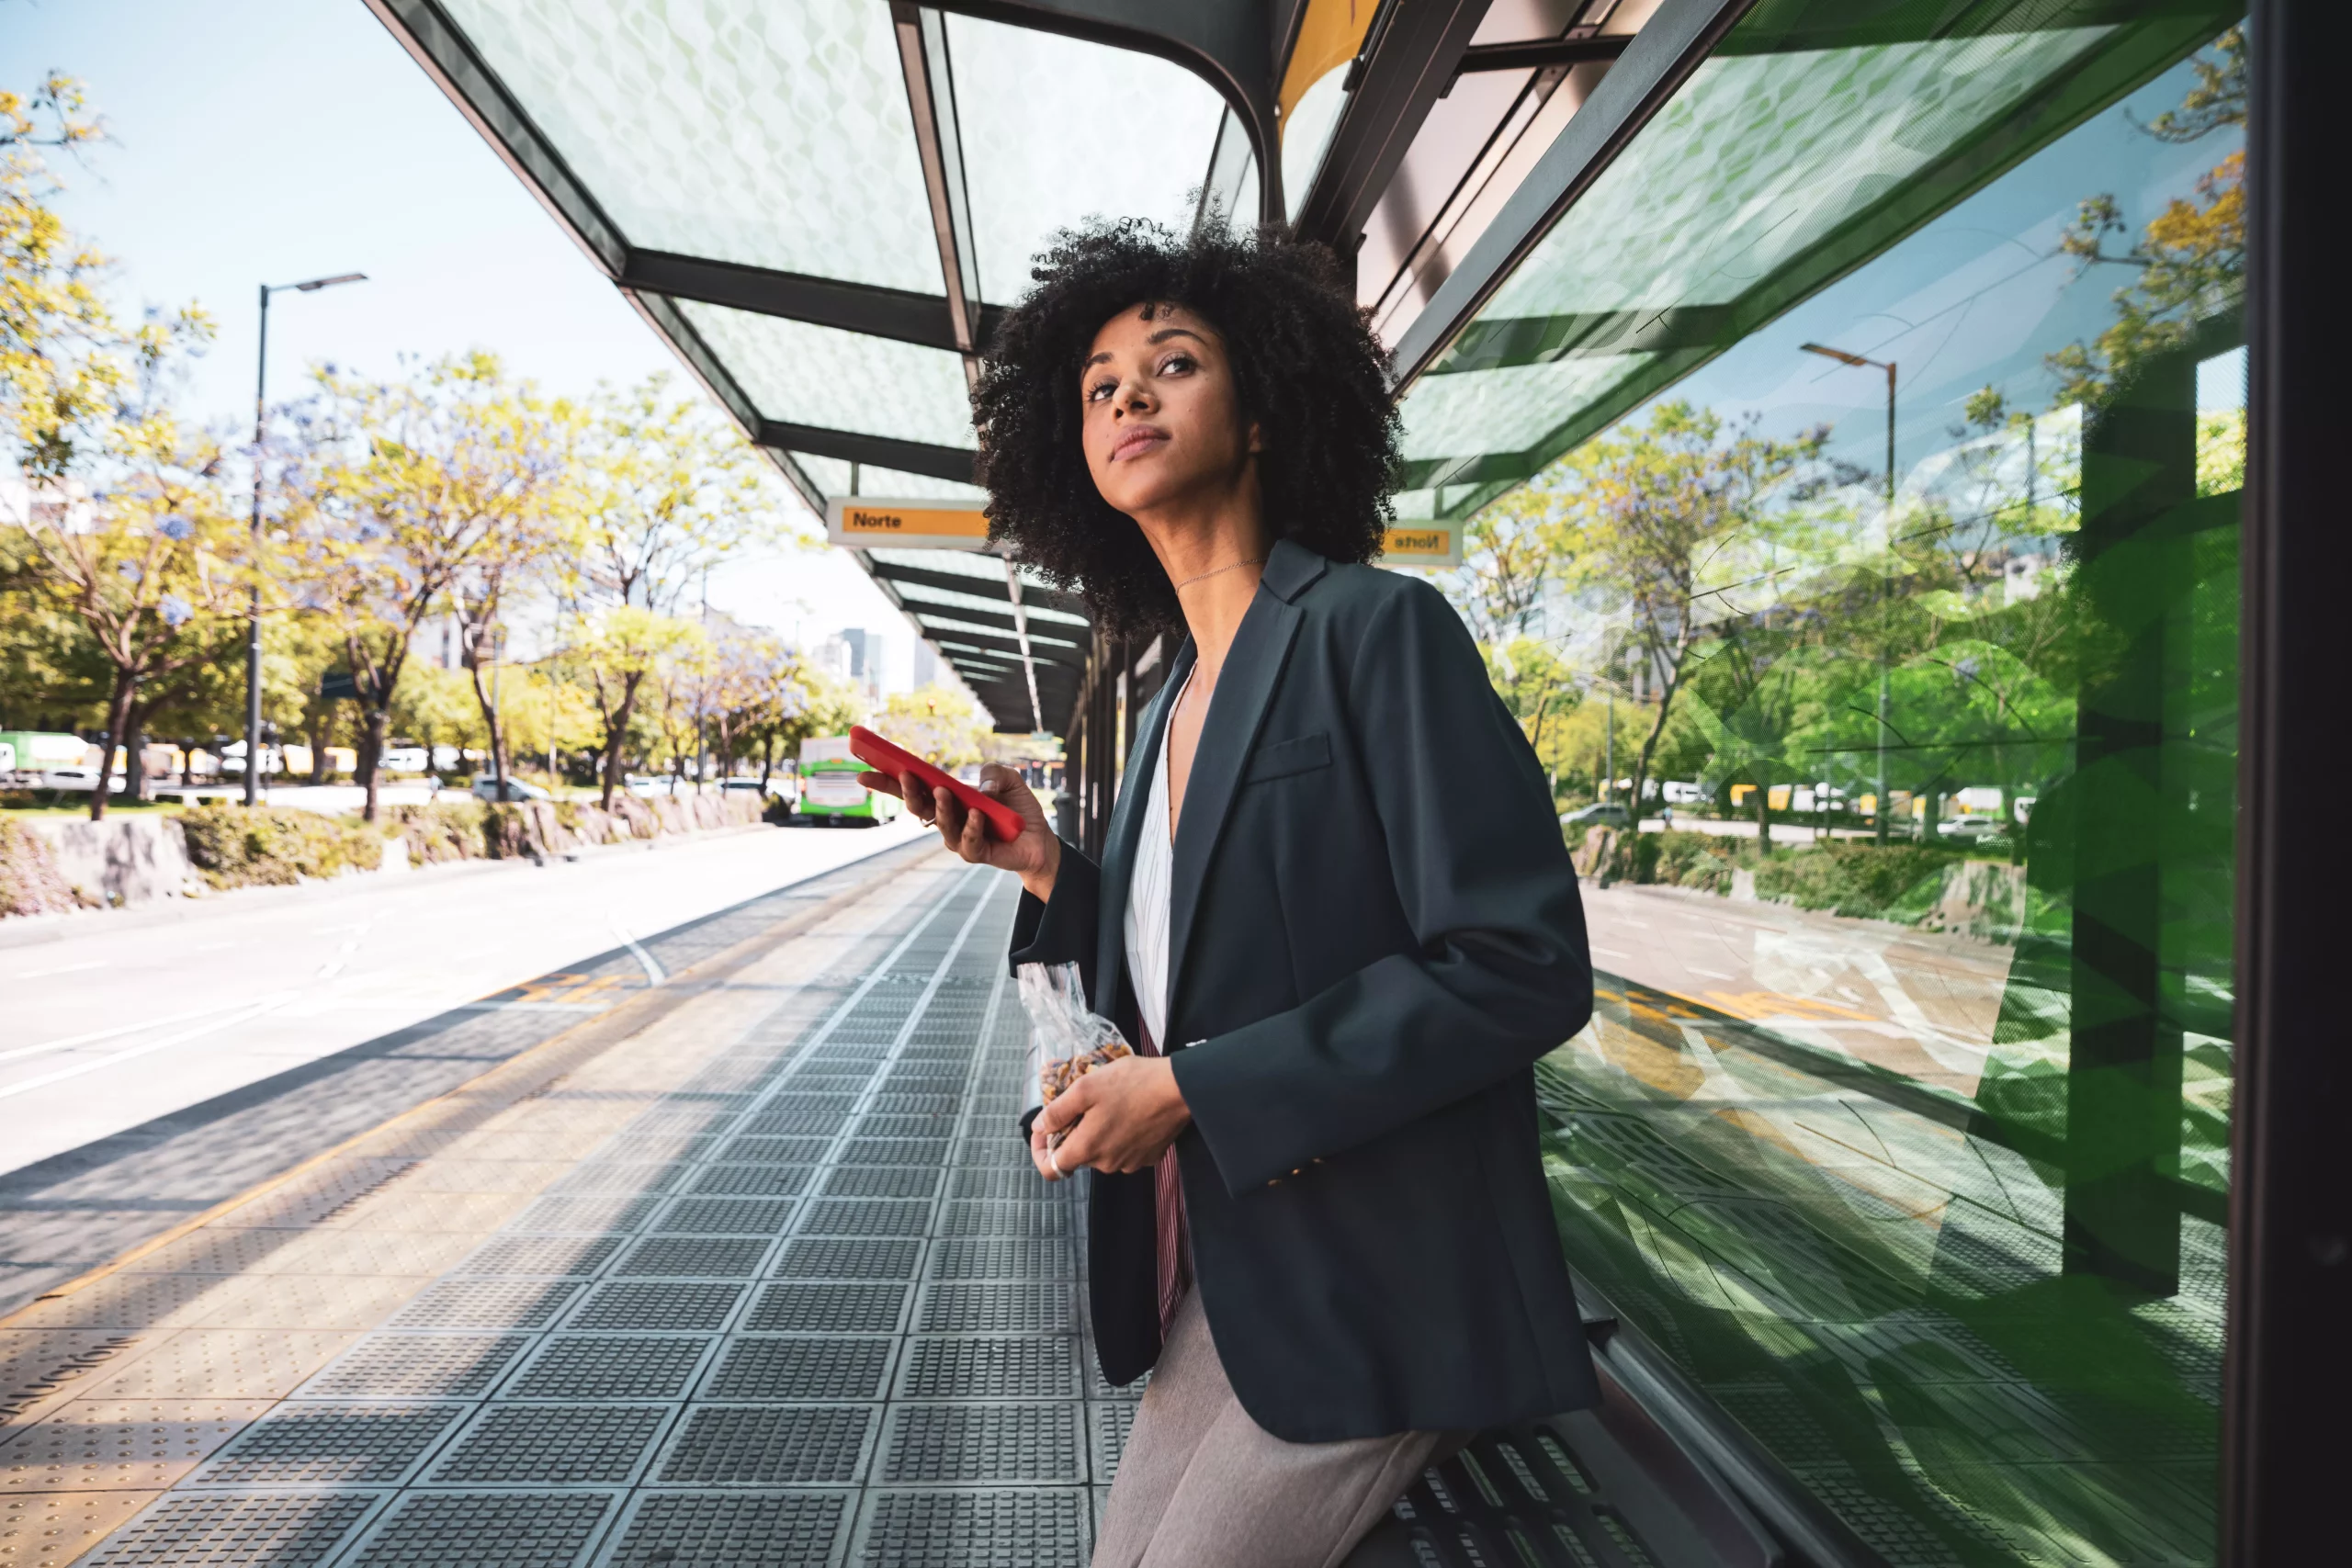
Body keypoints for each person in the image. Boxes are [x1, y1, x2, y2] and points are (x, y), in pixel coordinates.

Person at [865, 220, 1597, 1568]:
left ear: (1260, 413)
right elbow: (1190, 964)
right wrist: (1044, 866)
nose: (1127, 395)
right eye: (1097, 385)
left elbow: (1523, 961)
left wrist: (1193, 1089)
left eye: (1172, 363)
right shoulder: (1166, 705)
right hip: (1245, 1276)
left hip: (1390, 1289)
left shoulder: (1380, 632)